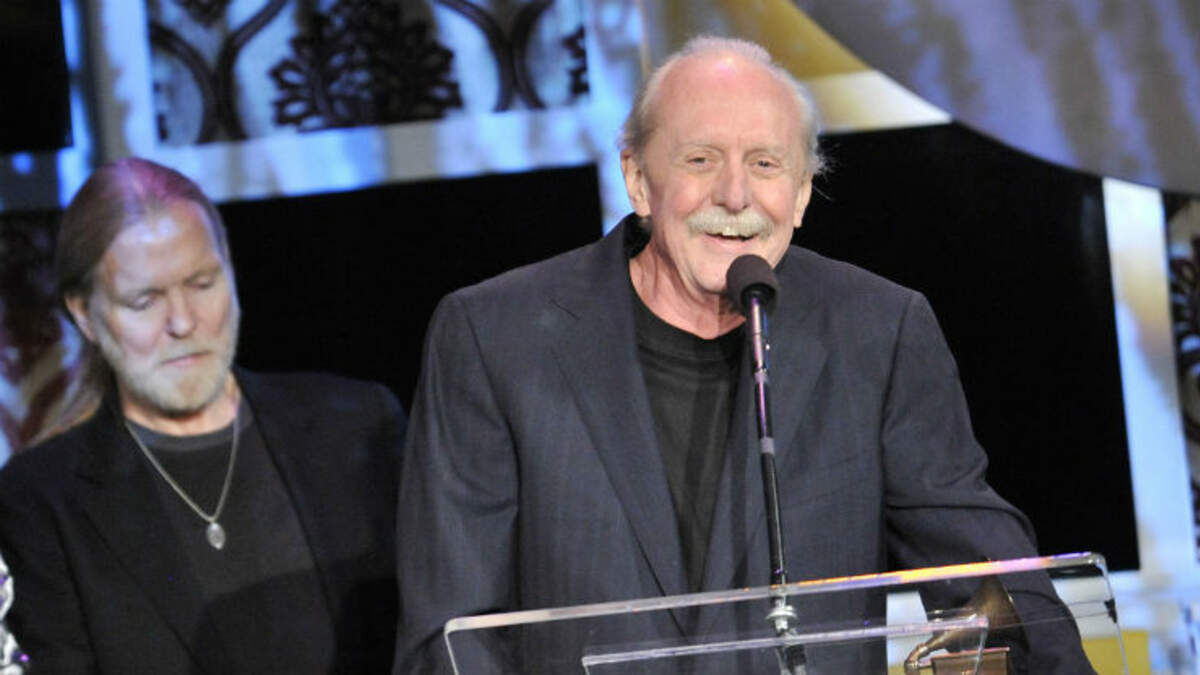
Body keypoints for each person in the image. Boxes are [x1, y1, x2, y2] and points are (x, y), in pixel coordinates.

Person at [394, 36, 1095, 673]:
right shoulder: (494, 338)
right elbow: (452, 633)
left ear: (801, 195)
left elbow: (988, 581)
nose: (734, 195)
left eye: (765, 163)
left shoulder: (877, 332)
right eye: (700, 159)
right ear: (638, 180)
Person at [0, 157, 406, 673]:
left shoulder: (358, 424)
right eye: (145, 300)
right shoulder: (42, 502)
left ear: (230, 269)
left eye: (201, 283)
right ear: (86, 315)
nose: (183, 322)